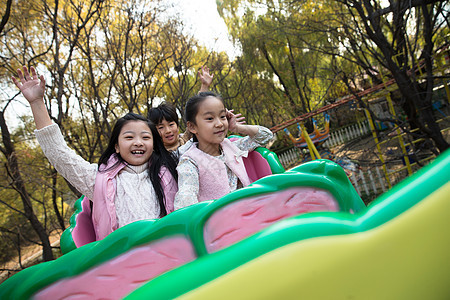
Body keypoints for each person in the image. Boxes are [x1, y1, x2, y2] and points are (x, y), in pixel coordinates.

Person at [12, 66, 178, 240]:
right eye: (129, 137)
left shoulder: (171, 169)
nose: (138, 142)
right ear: (116, 146)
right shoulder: (99, 180)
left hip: (172, 255)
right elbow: (59, 154)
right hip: (122, 261)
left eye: (145, 137)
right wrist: (37, 102)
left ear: (153, 143)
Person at [174, 91, 273, 210]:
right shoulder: (190, 162)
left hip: (251, 208)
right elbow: (186, 203)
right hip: (222, 221)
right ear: (192, 127)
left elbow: (266, 135)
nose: (219, 124)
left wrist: (236, 127)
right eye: (210, 118)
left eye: (222, 117)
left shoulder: (232, 147)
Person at [148, 66, 215, 154]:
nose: (168, 130)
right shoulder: (154, 153)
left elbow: (196, 111)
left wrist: (204, 86)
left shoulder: (186, 140)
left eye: (171, 124)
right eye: (161, 127)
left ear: (178, 126)